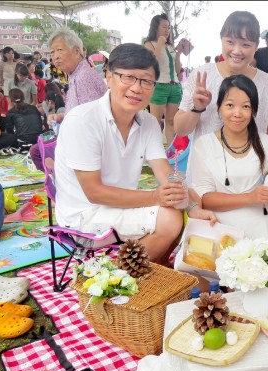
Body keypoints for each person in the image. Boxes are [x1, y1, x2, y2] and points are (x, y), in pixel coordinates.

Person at [54, 43, 215, 266]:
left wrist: (191, 206)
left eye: (146, 81)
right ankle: (116, 280)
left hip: (120, 206)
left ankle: (154, 272)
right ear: (108, 76)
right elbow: (94, 193)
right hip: (83, 216)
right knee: (168, 219)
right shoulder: (83, 120)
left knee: (183, 203)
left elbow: (164, 171)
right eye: (128, 77)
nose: (137, 88)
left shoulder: (148, 121)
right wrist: (155, 197)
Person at [188, 74, 268, 239]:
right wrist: (249, 198)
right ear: (219, 107)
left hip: (263, 229)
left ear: (254, 110)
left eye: (246, 106)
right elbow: (204, 198)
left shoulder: (267, 144)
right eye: (230, 105)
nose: (237, 113)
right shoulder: (204, 145)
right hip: (219, 227)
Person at [174, 11, 268, 142]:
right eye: (230, 42)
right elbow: (180, 130)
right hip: (206, 161)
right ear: (221, 39)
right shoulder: (202, 76)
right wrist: (197, 108)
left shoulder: (267, 82)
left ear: (256, 46)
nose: (236, 51)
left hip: (253, 161)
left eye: (245, 44)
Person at [46, 27, 107, 125]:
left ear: (76, 51)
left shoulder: (83, 78)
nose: (55, 56)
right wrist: (62, 117)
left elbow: (92, 123)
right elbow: (79, 113)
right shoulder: (75, 75)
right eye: (52, 52)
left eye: (59, 50)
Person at [144, 13, 184, 146]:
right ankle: (154, 151)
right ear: (156, 27)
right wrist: (160, 42)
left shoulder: (171, 47)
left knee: (171, 121)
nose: (167, 30)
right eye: (164, 27)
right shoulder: (149, 44)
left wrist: (178, 55)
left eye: (169, 27)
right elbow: (151, 63)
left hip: (175, 86)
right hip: (159, 86)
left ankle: (171, 152)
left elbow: (178, 70)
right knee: (155, 122)